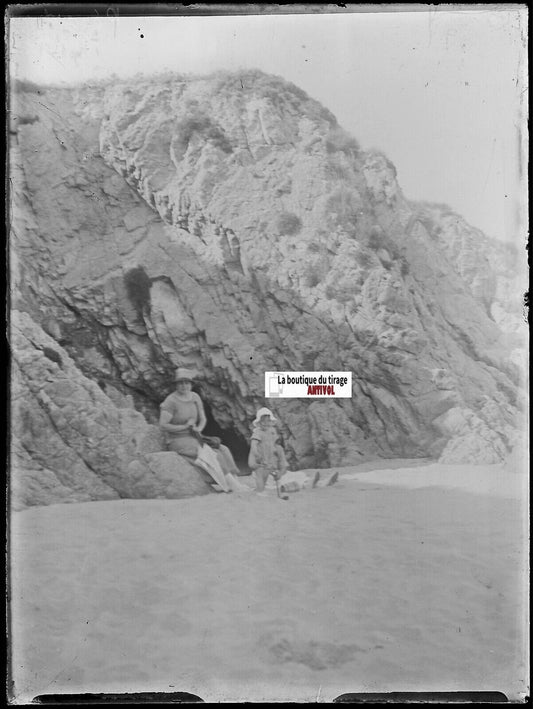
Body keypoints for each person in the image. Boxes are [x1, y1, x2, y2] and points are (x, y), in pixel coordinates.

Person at [159, 367, 249, 493]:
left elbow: (202, 418)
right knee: (212, 454)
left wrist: (198, 429)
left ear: (191, 384)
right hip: (177, 439)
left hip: (193, 435)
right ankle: (231, 485)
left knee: (223, 449)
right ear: (176, 385)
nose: (184, 386)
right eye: (180, 383)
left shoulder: (195, 397)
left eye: (186, 382)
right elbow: (163, 425)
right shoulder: (171, 401)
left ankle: (234, 482)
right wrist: (184, 427)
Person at [248, 407, 339, 494]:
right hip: (267, 475)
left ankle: (319, 483)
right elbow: (253, 463)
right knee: (283, 481)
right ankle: (311, 484)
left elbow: (283, 467)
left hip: (277, 474)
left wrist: (280, 473)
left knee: (297, 475)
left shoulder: (279, 449)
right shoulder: (259, 446)